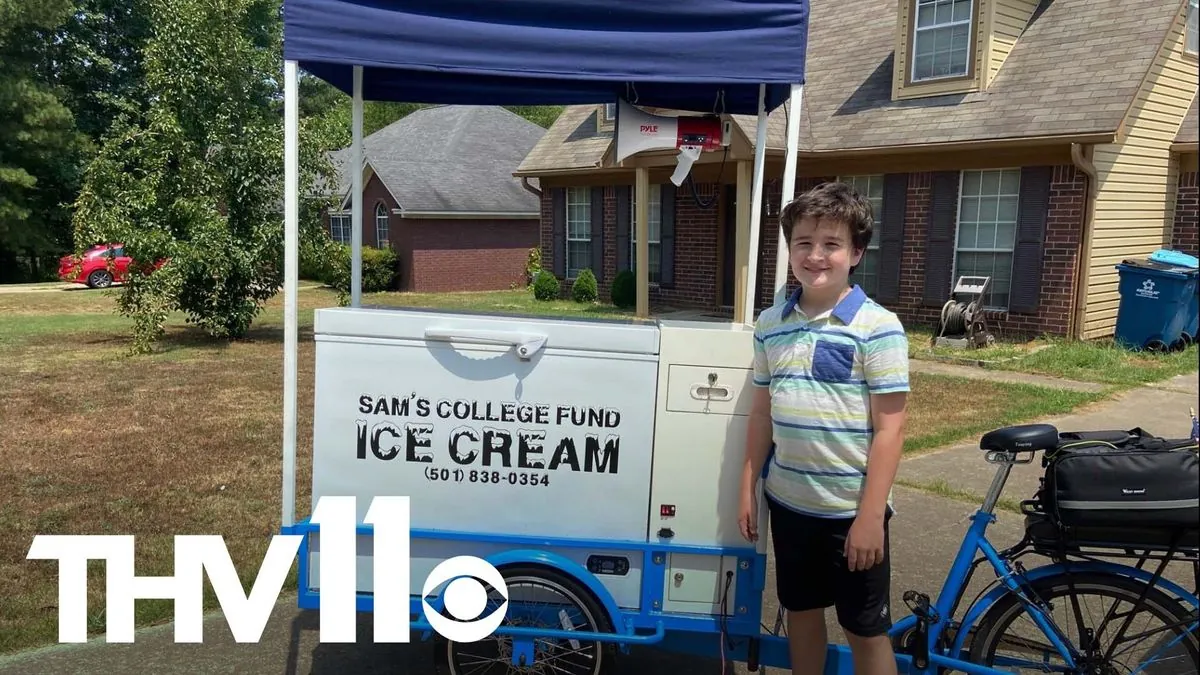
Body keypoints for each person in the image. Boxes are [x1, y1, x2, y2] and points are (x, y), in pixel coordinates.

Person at [738, 181, 910, 675]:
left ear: (855, 253)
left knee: (865, 630)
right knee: (802, 613)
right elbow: (762, 412)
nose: (816, 255)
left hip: (851, 512)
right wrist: (748, 486)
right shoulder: (772, 322)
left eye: (831, 244)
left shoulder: (878, 327)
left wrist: (871, 517)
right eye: (803, 243)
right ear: (789, 249)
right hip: (790, 505)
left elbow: (891, 429)